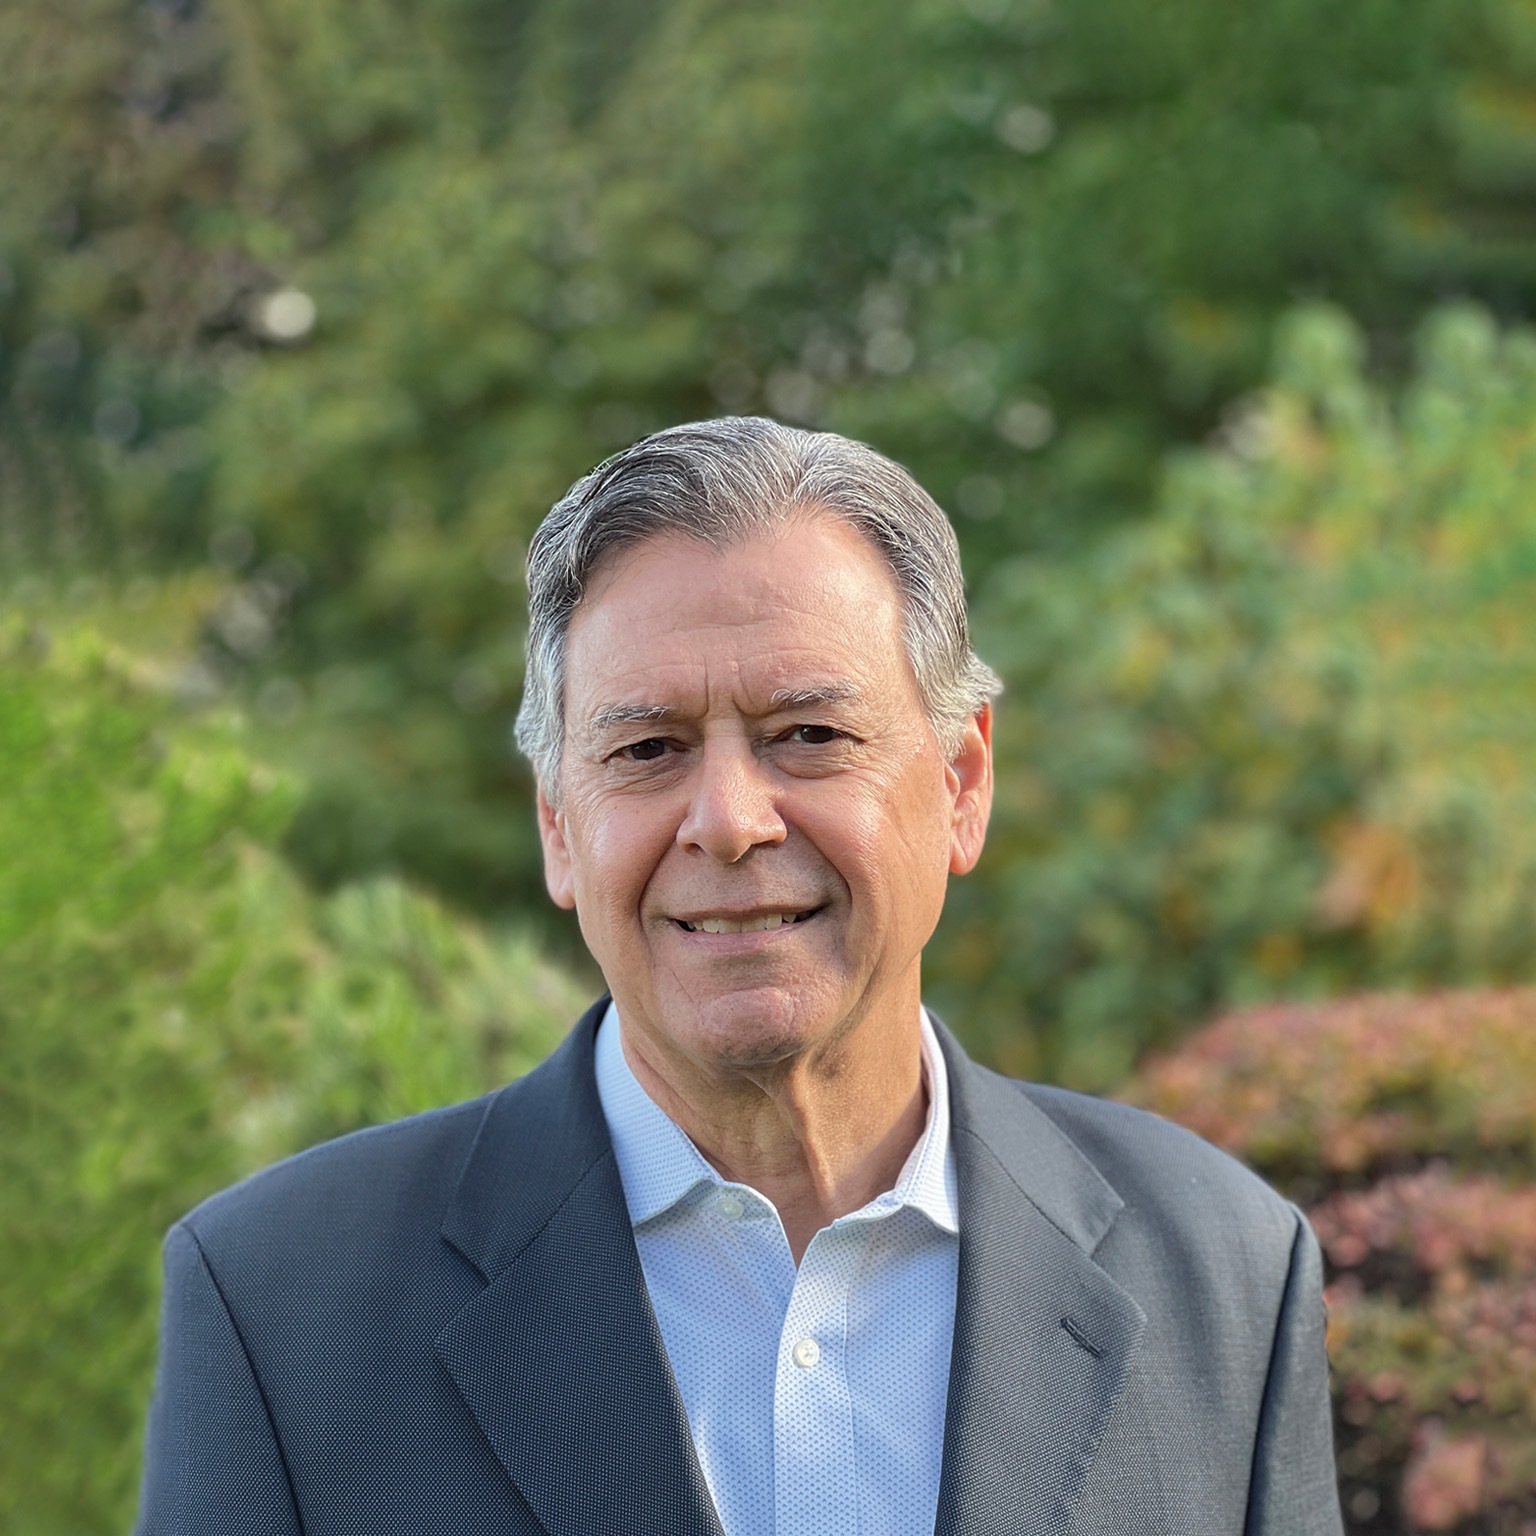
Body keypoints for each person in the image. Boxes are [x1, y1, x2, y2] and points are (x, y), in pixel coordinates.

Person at [136, 417, 1344, 1535]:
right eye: (648, 748)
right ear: (559, 825)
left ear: (963, 785)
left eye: (809, 736)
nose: (727, 820)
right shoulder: (281, 1309)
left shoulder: (1224, 1274)